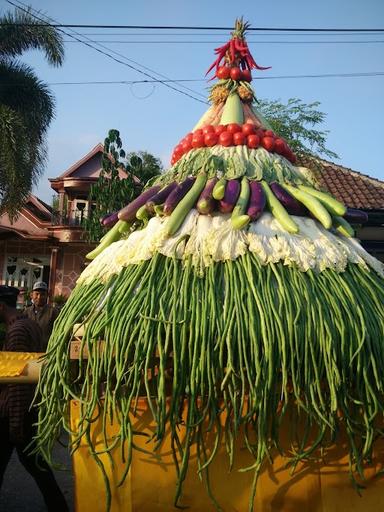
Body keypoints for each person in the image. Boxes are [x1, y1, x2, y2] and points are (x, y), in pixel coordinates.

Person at [0, 285, 68, 512]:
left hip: (14, 410)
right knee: (35, 463)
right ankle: (58, 506)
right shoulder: (27, 322)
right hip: (25, 407)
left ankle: (59, 506)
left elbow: (18, 380)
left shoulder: (17, 331)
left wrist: (17, 422)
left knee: (35, 463)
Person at [24, 281, 60, 350]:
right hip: (28, 351)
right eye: (36, 294)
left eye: (43, 294)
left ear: (47, 296)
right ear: (31, 295)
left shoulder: (53, 312)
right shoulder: (26, 312)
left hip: (46, 351)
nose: (39, 297)